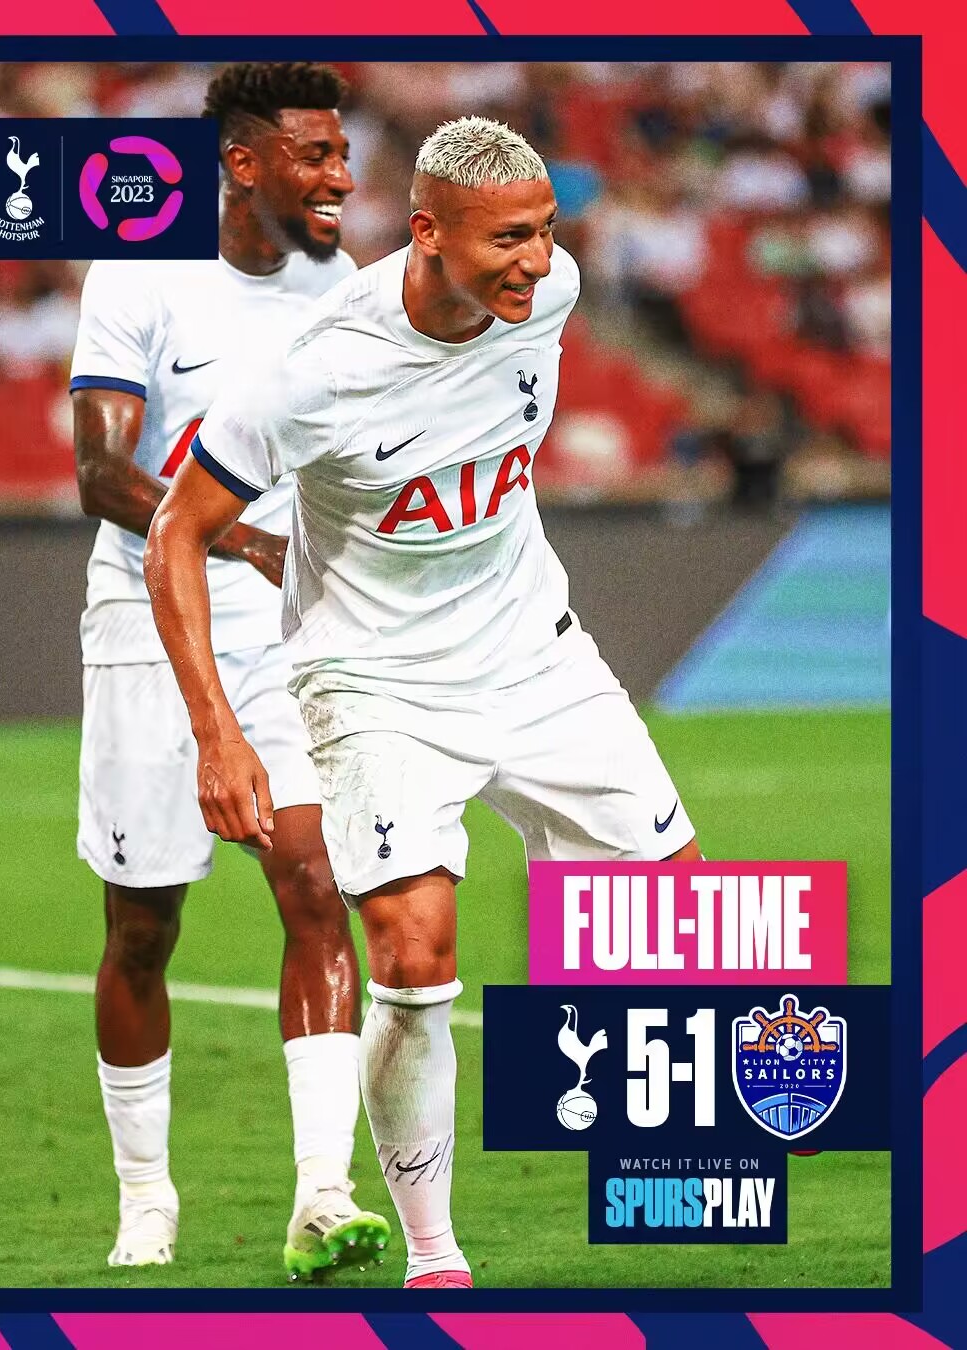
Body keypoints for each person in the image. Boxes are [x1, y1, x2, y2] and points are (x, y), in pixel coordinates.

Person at [144, 115, 701, 1289]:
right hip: (376, 684)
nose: (536, 261)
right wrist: (217, 734)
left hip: (536, 656)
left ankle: (640, 1143)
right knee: (411, 945)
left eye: (544, 231)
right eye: (508, 240)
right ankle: (435, 1257)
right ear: (427, 232)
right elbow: (174, 534)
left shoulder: (551, 295)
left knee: (675, 914)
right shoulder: (314, 373)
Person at [69, 61, 388, 1279]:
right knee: (142, 925)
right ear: (244, 164)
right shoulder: (138, 275)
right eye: (315, 155)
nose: (340, 176)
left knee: (314, 881)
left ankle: (323, 1196)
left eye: (343, 153)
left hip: (283, 626)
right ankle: (145, 1197)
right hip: (148, 614)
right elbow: (101, 475)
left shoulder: (342, 290)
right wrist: (235, 533)